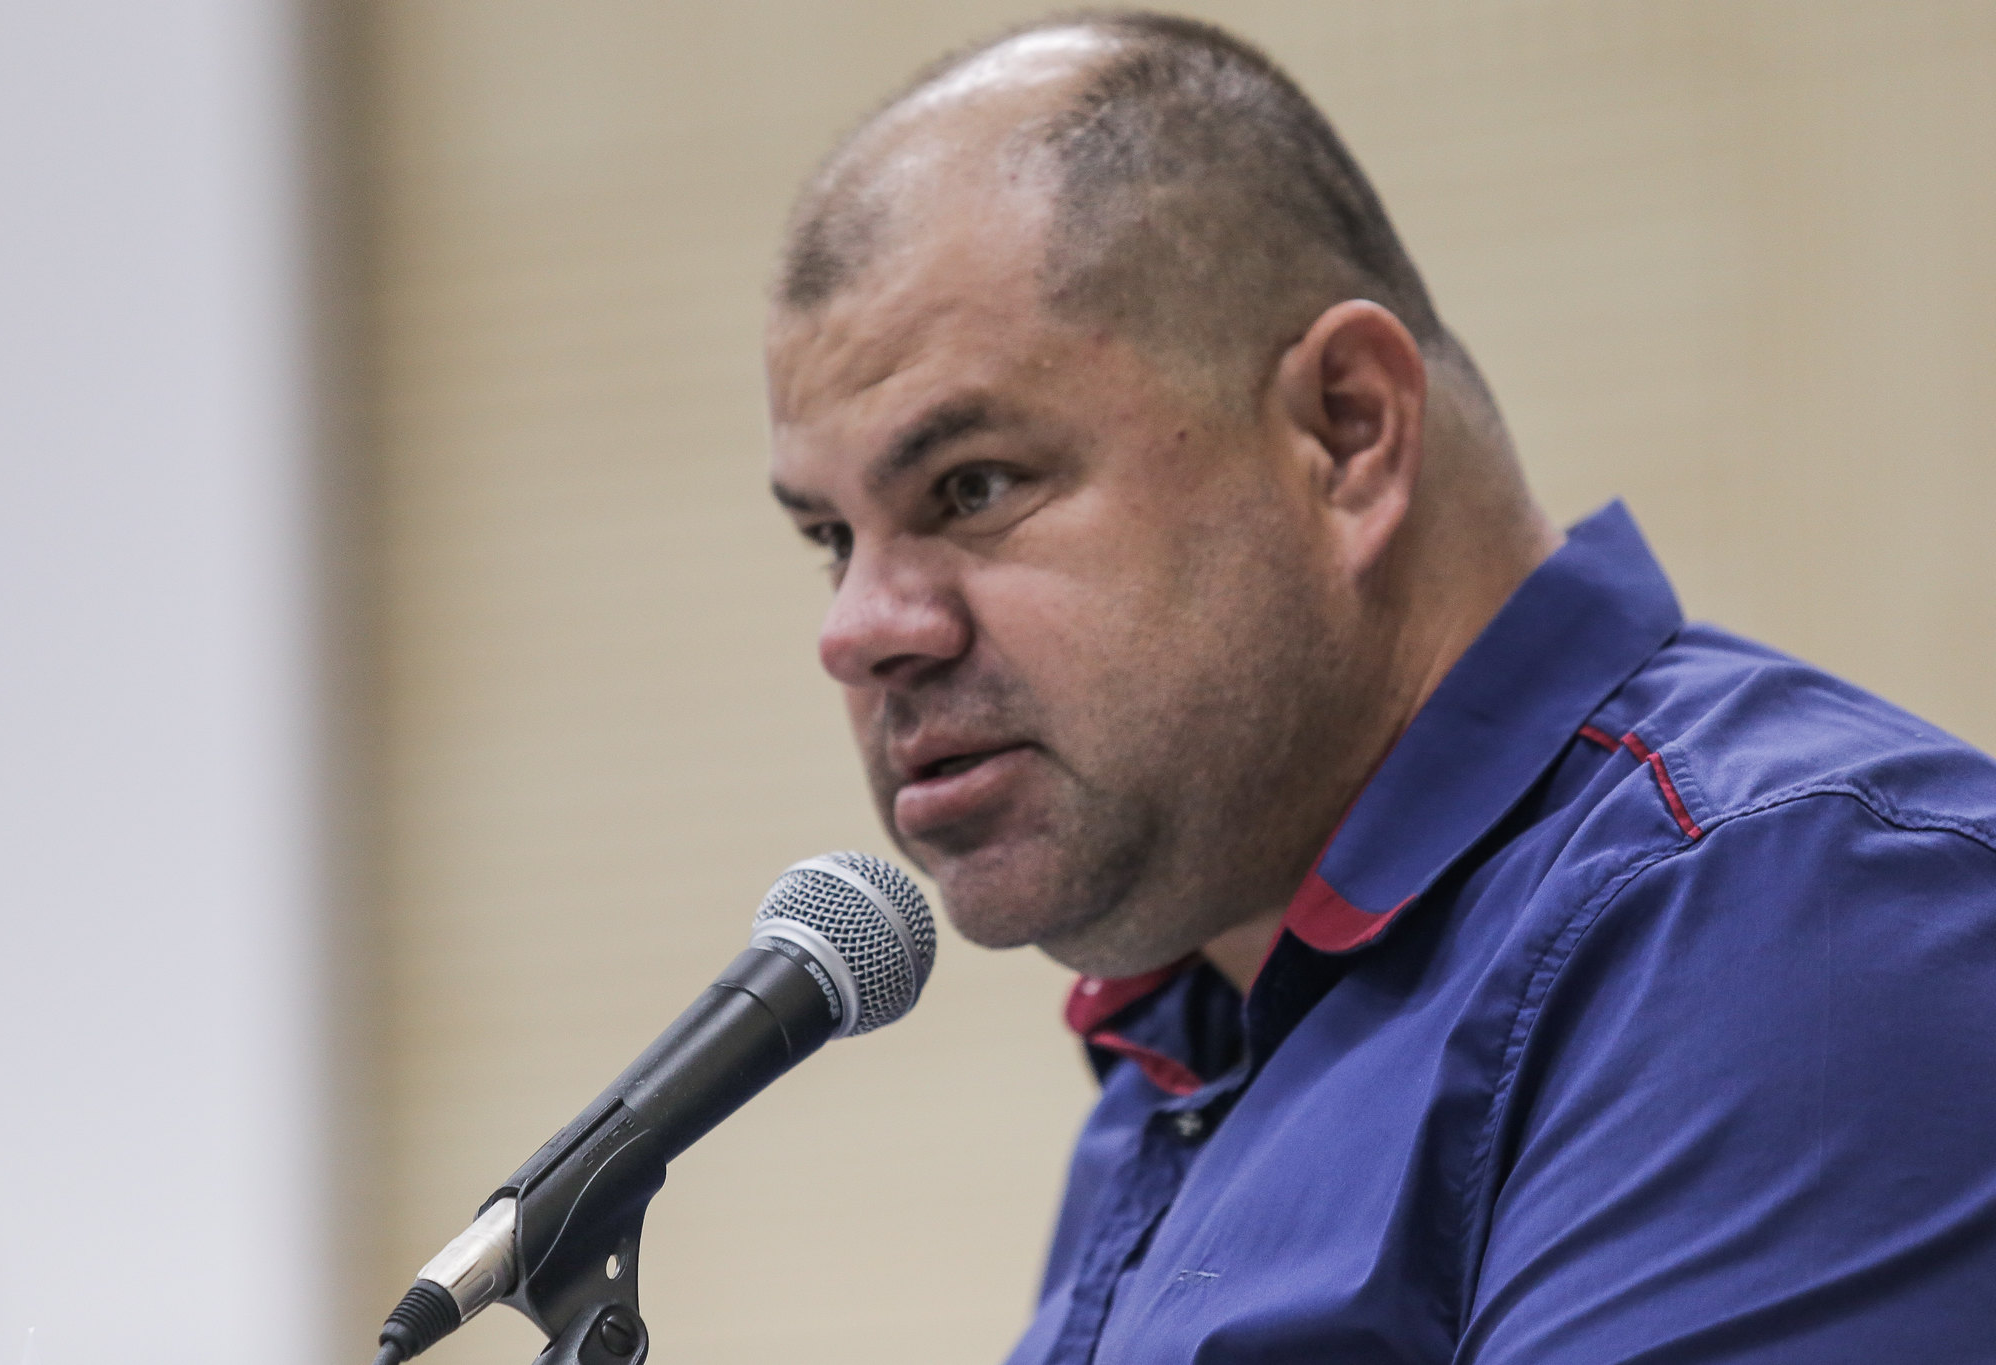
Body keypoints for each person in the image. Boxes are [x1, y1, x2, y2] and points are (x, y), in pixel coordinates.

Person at [763, 12, 1996, 1363]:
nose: (860, 629)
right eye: (831, 537)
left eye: (973, 487)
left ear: (1346, 430)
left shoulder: (1791, 914)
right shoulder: (1187, 1044)